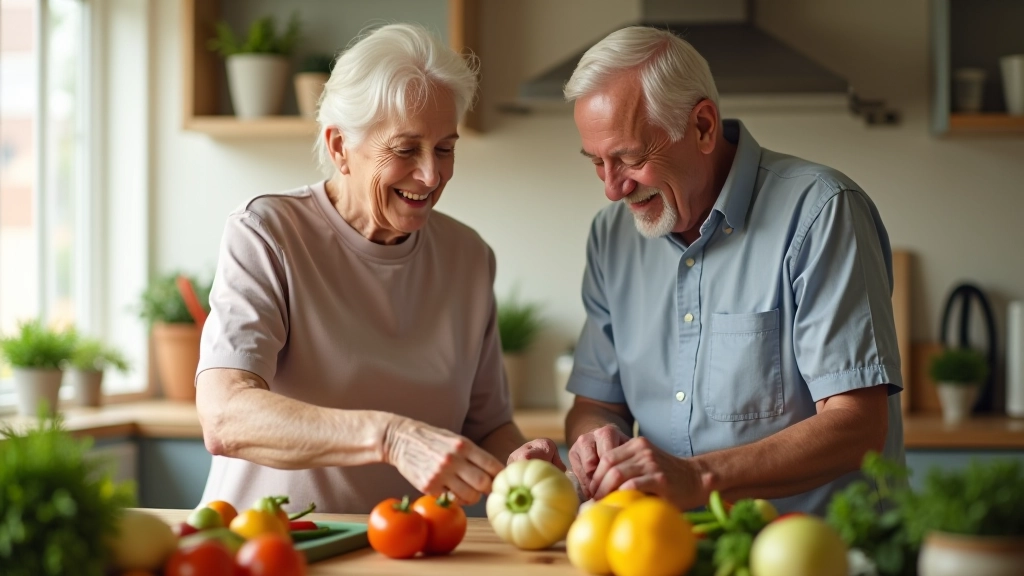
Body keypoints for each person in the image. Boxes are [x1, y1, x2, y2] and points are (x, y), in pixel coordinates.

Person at [510, 26, 905, 515]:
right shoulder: (612, 236)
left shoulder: (822, 212)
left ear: (701, 126)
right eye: (596, 163)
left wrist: (698, 478)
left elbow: (858, 427)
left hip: (820, 553)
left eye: (629, 158)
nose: (612, 189)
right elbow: (598, 404)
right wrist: (596, 443)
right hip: (665, 548)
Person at [195, 23, 530, 514]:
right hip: (272, 548)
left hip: (409, 552)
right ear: (338, 147)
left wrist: (525, 464)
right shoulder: (267, 233)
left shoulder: (469, 257)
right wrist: (390, 436)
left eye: (445, 148)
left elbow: (488, 427)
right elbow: (225, 416)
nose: (431, 175)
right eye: (405, 149)